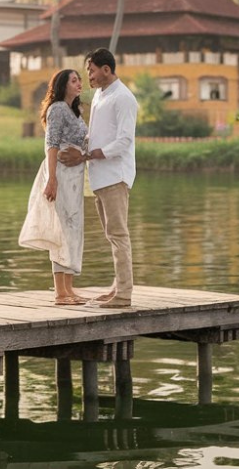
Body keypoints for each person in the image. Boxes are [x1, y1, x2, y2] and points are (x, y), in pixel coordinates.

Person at [59, 48, 138, 308]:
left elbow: (124, 141)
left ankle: (124, 295)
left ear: (106, 69)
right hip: (99, 176)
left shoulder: (124, 98)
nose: (88, 77)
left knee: (118, 234)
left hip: (115, 175)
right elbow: (95, 133)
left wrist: (91, 154)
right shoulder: (99, 96)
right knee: (111, 234)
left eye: (91, 71)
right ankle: (117, 287)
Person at [19, 69, 88, 305]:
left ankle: (69, 287)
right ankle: (60, 292)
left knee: (73, 227)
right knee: (62, 228)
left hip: (75, 178)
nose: (80, 83)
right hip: (60, 173)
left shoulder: (75, 111)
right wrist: (52, 179)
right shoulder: (57, 109)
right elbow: (52, 144)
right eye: (74, 80)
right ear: (62, 85)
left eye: (80, 80)